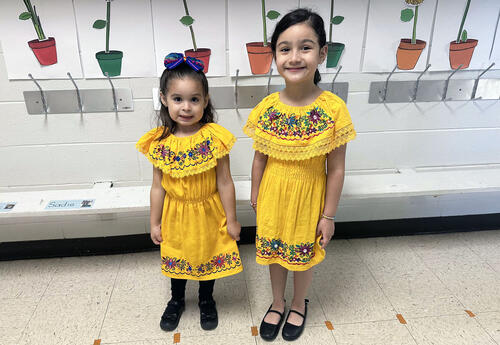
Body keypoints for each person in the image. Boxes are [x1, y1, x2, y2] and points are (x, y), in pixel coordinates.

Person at [243, 8, 356, 341]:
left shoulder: (333, 109)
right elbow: (259, 158)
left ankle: (297, 303)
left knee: (301, 256)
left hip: (310, 194)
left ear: (322, 53)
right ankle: (277, 301)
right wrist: (255, 192)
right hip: (272, 193)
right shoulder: (267, 108)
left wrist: (329, 215)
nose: (294, 57)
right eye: (284, 48)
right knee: (275, 253)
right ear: (274, 55)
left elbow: (336, 168)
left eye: (305, 47)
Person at [136, 53, 242, 332]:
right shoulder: (159, 143)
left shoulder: (214, 138)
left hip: (209, 211)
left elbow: (225, 182)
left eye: (194, 99)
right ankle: (177, 300)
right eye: (178, 99)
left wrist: (231, 218)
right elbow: (157, 187)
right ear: (163, 98)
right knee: (178, 254)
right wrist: (154, 222)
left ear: (205, 101)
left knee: (208, 253)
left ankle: (207, 299)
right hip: (175, 213)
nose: (186, 107)